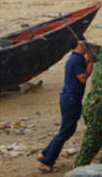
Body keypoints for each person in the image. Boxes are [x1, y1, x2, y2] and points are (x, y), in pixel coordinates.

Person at [38, 40, 94, 173]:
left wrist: (87, 62)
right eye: (84, 45)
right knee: (65, 131)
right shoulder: (78, 59)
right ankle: (47, 161)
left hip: (67, 98)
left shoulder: (73, 58)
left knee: (66, 130)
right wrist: (90, 62)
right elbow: (82, 78)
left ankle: (45, 153)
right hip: (71, 98)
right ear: (79, 46)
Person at [73, 41, 102, 168]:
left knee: (95, 141)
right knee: (90, 143)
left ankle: (81, 167)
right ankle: (78, 169)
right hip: (96, 108)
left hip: (90, 104)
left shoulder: (99, 65)